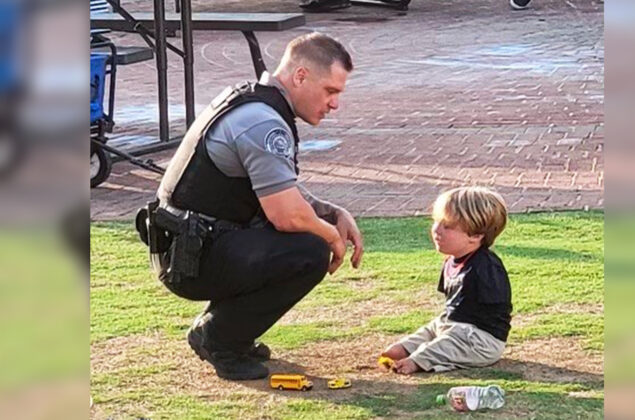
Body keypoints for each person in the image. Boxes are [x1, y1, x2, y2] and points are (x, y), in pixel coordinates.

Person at [152, 33, 364, 380]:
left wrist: (332, 213)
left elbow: (279, 189)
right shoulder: (263, 122)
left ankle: (225, 330)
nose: (335, 103)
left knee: (304, 235)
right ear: (300, 76)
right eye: (331, 91)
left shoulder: (252, 103)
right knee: (310, 250)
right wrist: (331, 235)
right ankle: (220, 339)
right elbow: (286, 214)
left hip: (189, 246)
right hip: (190, 259)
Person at [381, 186, 511, 374]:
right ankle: (405, 348)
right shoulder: (451, 260)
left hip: (481, 339)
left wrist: (456, 328)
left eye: (447, 226)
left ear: (475, 236)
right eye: (436, 222)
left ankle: (417, 361)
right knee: (434, 327)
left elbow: (493, 313)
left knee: (450, 339)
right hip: (454, 325)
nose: (436, 230)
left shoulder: (486, 267)